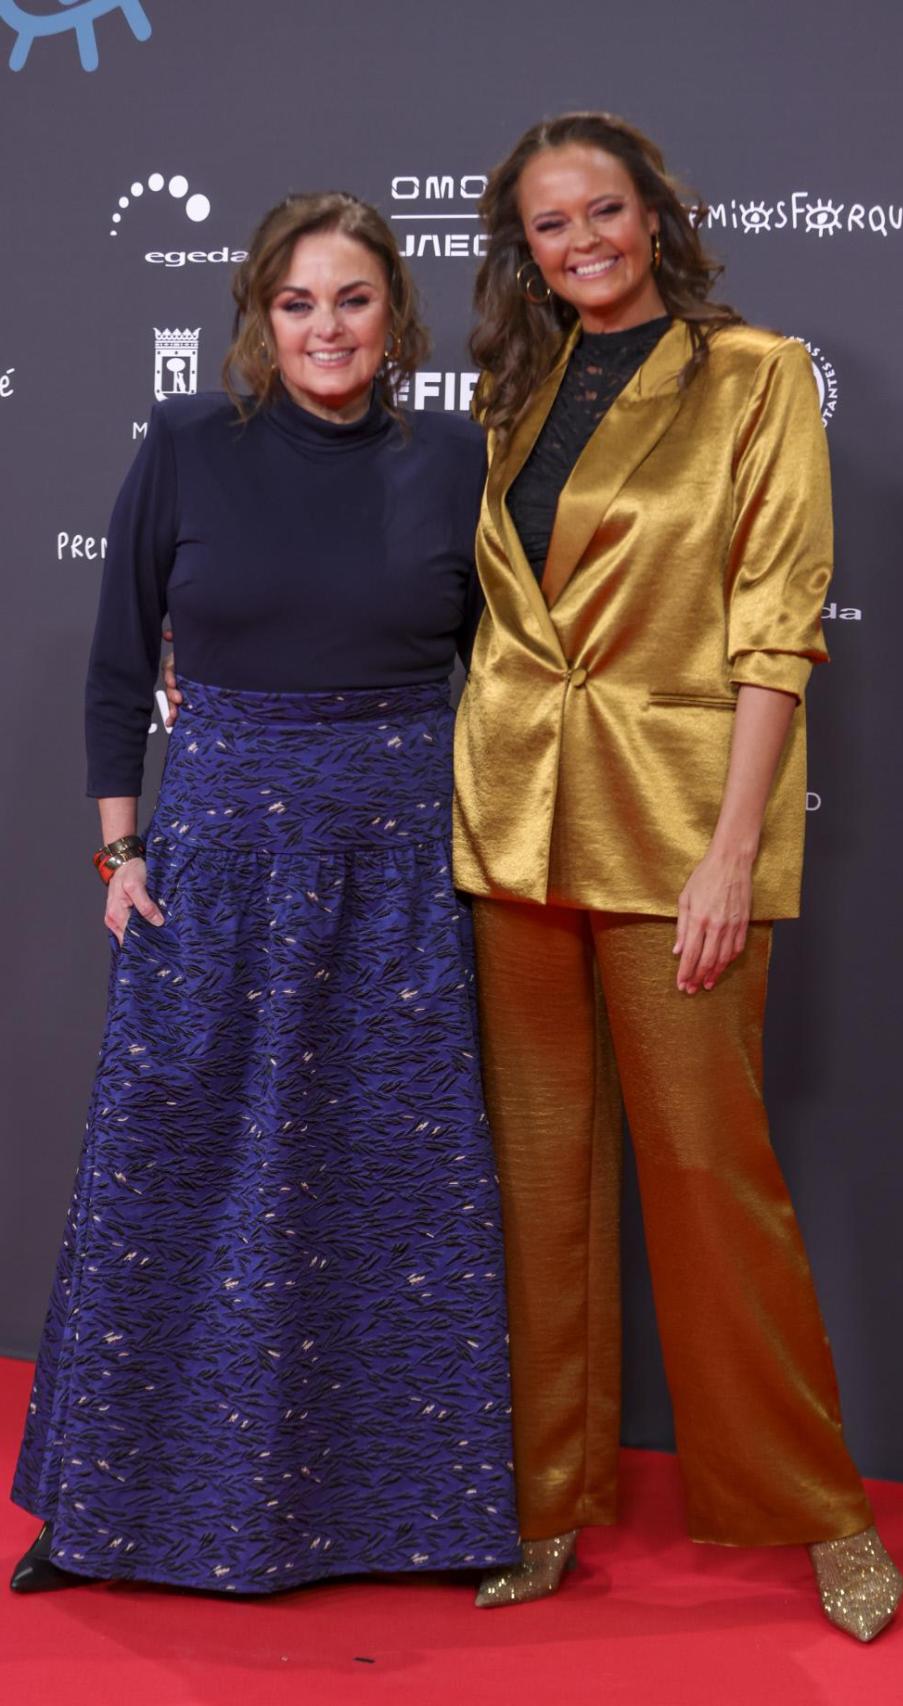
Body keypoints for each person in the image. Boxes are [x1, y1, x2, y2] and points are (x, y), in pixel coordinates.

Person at [10, 192, 519, 1595]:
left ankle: (415, 1518)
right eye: (298, 303)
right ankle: (108, 1513)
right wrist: (120, 852)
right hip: (216, 867)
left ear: (394, 314)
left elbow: (510, 679)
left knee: (389, 1193)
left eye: (352, 299)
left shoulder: (458, 459)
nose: (325, 328)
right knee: (168, 1176)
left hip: (401, 872)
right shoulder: (186, 442)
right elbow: (121, 663)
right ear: (259, 317)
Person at [452, 112, 903, 1641]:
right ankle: (544, 1500)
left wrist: (730, 856)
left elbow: (777, 624)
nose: (581, 241)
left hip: (675, 833)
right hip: (513, 827)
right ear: (525, 249)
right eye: (551, 223)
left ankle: (823, 1508)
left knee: (711, 1175)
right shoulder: (515, 394)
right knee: (539, 1185)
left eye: (604, 210)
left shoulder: (754, 374)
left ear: (656, 214)